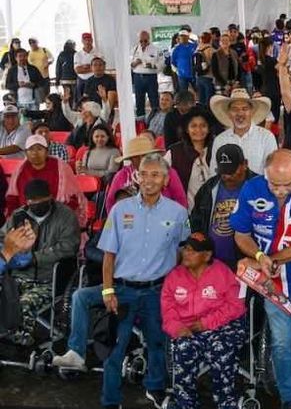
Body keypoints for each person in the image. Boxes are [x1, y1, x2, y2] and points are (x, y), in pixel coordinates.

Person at [231, 150, 291, 409]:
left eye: (287, 184)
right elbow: (240, 235)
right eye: (274, 184)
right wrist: (259, 255)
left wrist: (270, 260)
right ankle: (289, 396)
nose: (281, 191)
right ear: (265, 173)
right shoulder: (252, 189)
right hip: (272, 285)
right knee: (282, 341)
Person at [97, 154, 190, 409]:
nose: (149, 180)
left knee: (158, 343)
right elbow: (108, 254)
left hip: (157, 291)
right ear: (137, 176)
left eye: (155, 175)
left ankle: (156, 388)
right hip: (123, 290)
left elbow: (184, 252)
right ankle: (110, 400)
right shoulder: (119, 210)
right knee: (115, 348)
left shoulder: (179, 213)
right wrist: (107, 290)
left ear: (166, 179)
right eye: (144, 174)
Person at [161, 232, 246, 409]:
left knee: (220, 349)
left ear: (207, 255)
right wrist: (178, 329)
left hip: (222, 327)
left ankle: (225, 402)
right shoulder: (174, 277)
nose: (186, 253)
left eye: (193, 251)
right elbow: (168, 312)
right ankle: (186, 403)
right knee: (183, 348)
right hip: (188, 328)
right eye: (186, 249)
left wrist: (205, 324)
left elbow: (236, 306)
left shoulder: (222, 272)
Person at [0, 179, 79, 345]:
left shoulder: (65, 216)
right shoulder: (18, 216)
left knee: (24, 303)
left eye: (41, 201)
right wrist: (12, 253)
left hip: (49, 279)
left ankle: (21, 339)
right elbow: (2, 239)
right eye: (32, 202)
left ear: (50, 197)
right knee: (6, 297)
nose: (36, 205)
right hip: (19, 276)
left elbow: (68, 247)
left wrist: (35, 258)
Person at [189, 145, 254, 268]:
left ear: (244, 164)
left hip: (246, 262)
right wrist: (196, 234)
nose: (227, 177)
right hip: (213, 262)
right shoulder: (209, 187)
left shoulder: (258, 186)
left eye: (231, 171)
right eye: (223, 172)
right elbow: (194, 217)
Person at [5, 134, 85, 223]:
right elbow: (12, 199)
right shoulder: (20, 170)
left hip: (56, 219)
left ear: (47, 152)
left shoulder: (61, 168)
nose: (35, 153)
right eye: (31, 149)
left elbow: (72, 199)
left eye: (39, 149)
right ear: (26, 153)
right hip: (25, 219)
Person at [106, 135, 187, 212]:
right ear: (130, 159)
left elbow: (181, 200)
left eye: (145, 155)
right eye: (136, 157)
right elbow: (110, 202)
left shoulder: (167, 172)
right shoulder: (122, 176)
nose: (141, 159)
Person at [209, 89, 277, 176]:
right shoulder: (220, 140)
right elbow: (214, 174)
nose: (240, 113)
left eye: (245, 109)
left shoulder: (266, 137)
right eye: (235, 109)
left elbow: (271, 173)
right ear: (229, 113)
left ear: (251, 112)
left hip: (257, 189)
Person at [165, 107, 214, 206]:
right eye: (193, 126)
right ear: (187, 129)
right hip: (186, 212)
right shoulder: (174, 153)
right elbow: (160, 171)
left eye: (203, 125)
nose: (198, 130)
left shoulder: (216, 149)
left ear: (208, 129)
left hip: (214, 212)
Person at [131, 30, 164, 116]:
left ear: (149, 39)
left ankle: (155, 120)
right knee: (139, 102)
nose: (143, 43)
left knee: (154, 102)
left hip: (151, 78)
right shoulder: (134, 49)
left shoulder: (156, 49)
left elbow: (162, 64)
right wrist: (134, 63)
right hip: (138, 77)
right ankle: (140, 123)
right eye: (141, 41)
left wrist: (152, 65)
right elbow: (128, 64)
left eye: (145, 40)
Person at [73, 32, 101, 105]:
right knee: (82, 103)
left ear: (92, 40)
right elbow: (78, 70)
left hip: (94, 80)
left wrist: (86, 67)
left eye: (89, 40)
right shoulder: (77, 54)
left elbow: (100, 69)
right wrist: (93, 67)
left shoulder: (98, 53)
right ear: (82, 41)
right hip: (82, 81)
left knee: (95, 102)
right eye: (85, 40)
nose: (87, 42)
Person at [170, 30, 197, 94]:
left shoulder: (194, 46)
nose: (183, 38)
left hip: (194, 74)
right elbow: (173, 62)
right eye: (181, 36)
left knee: (197, 90)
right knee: (183, 93)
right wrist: (178, 71)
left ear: (188, 37)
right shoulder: (176, 49)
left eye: (184, 36)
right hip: (182, 75)